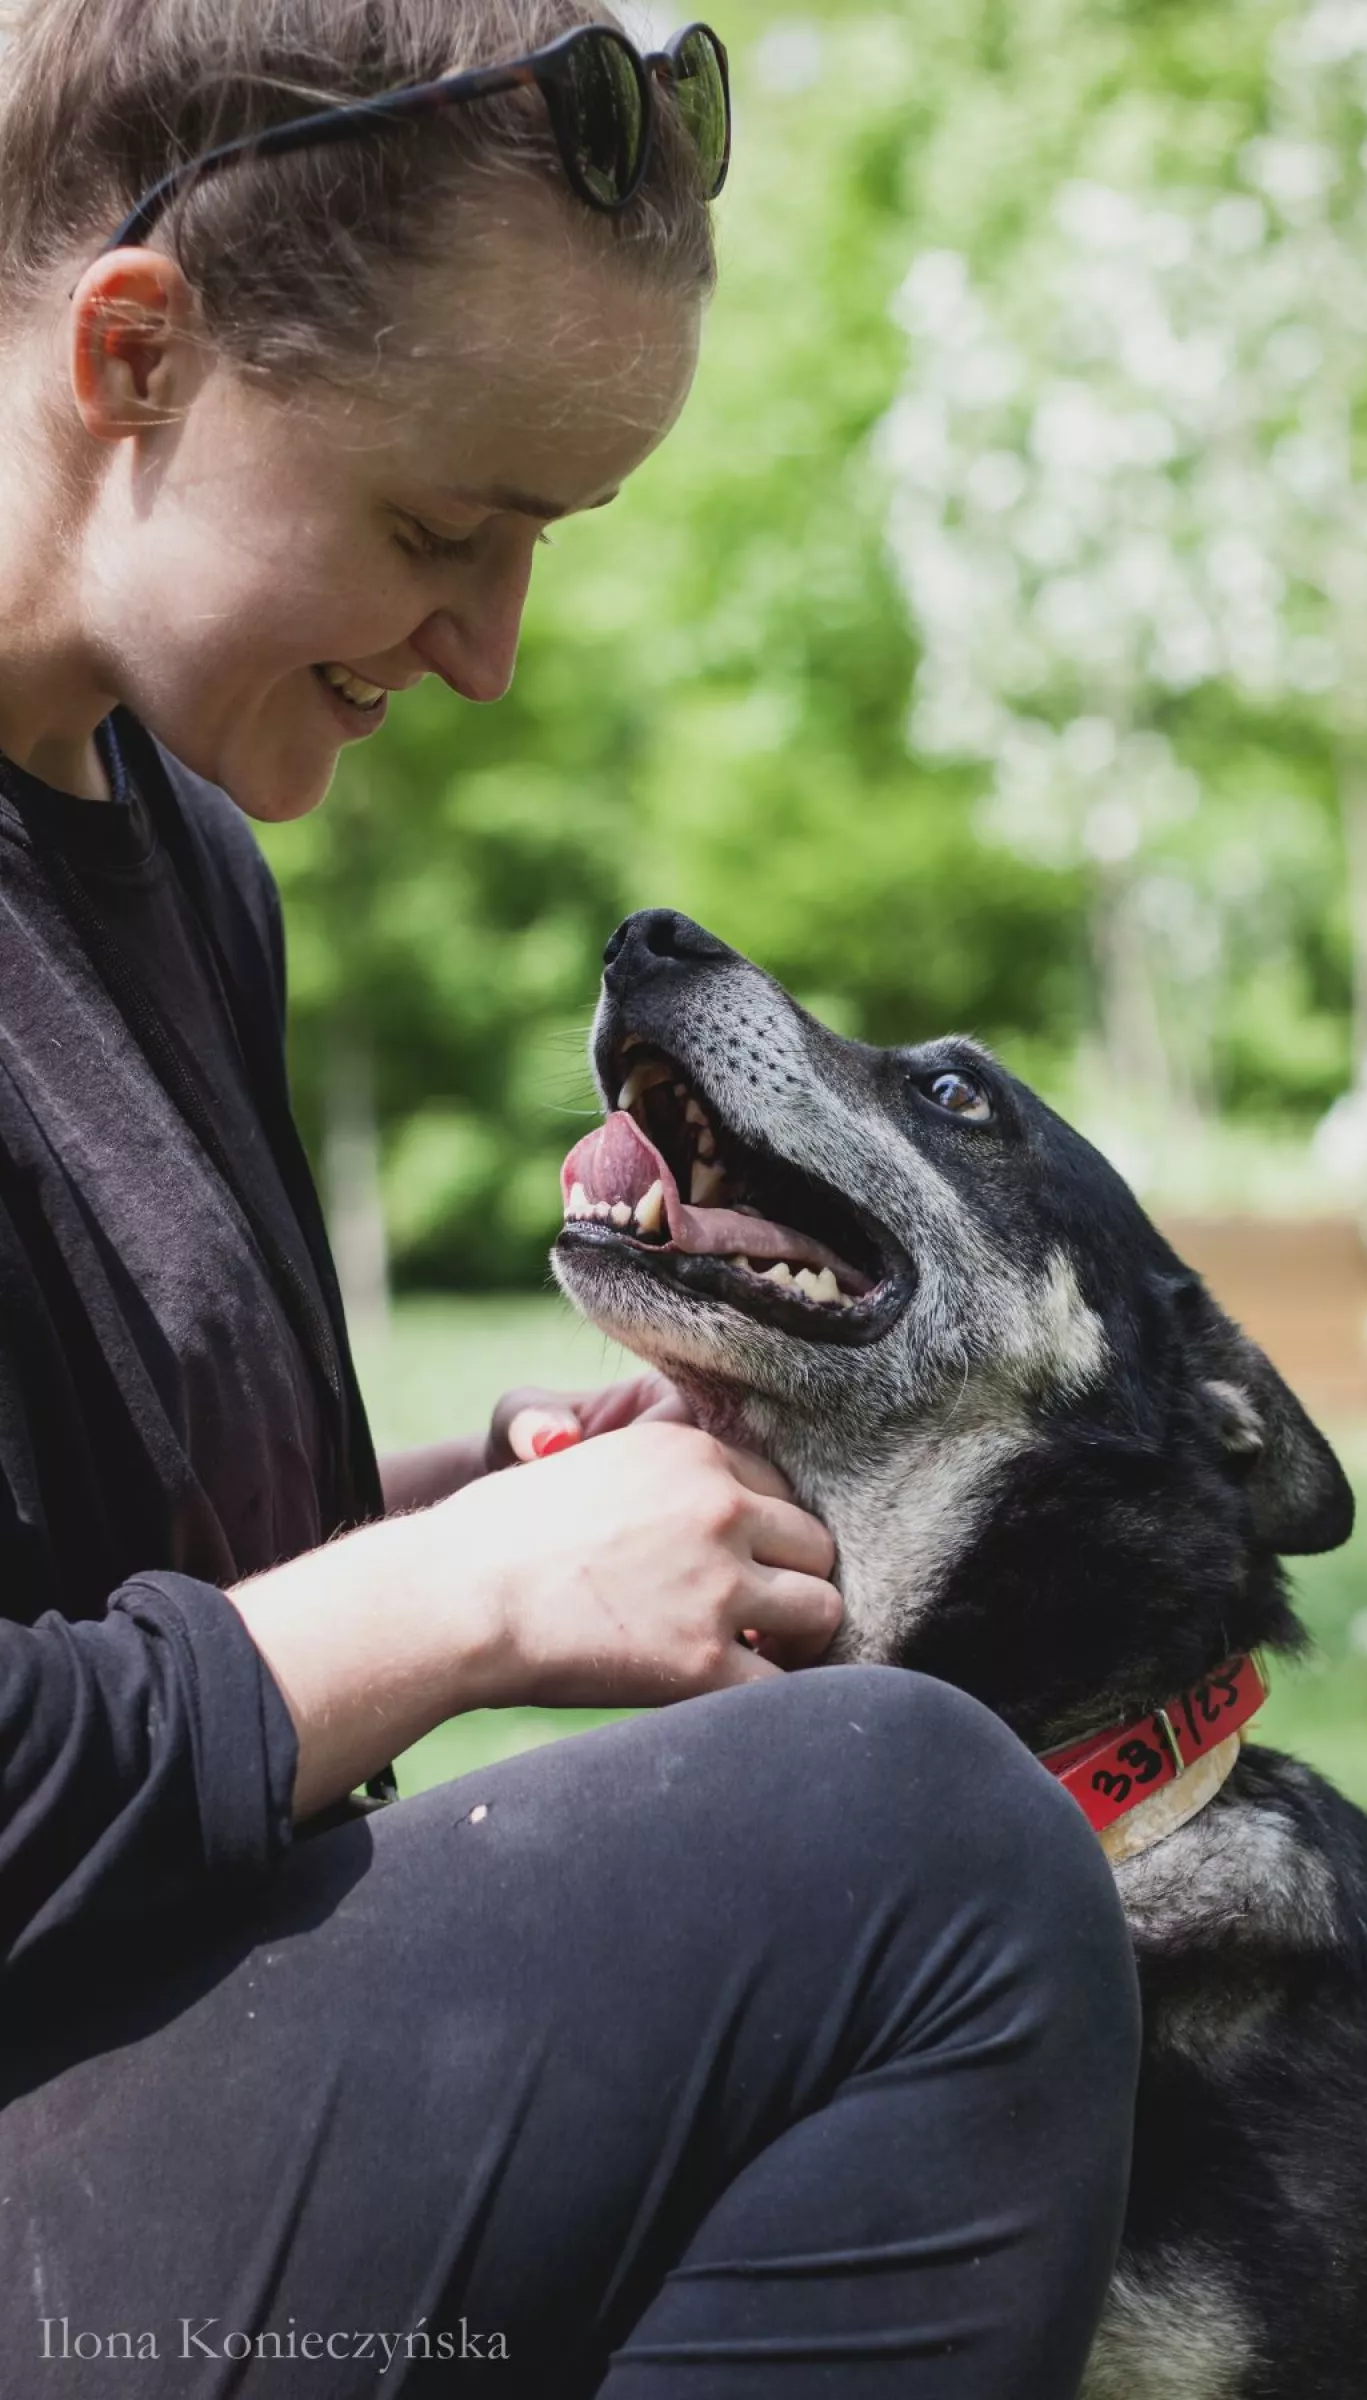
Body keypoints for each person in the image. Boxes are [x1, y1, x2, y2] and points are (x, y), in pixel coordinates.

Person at [0, 2, 1141, 2390]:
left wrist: (479, 1502)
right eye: (440, 530)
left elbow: (137, 1600)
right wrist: (462, 1592)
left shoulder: (178, 859)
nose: (492, 653)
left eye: (541, 542)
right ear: (133, 355)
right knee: (917, 1854)